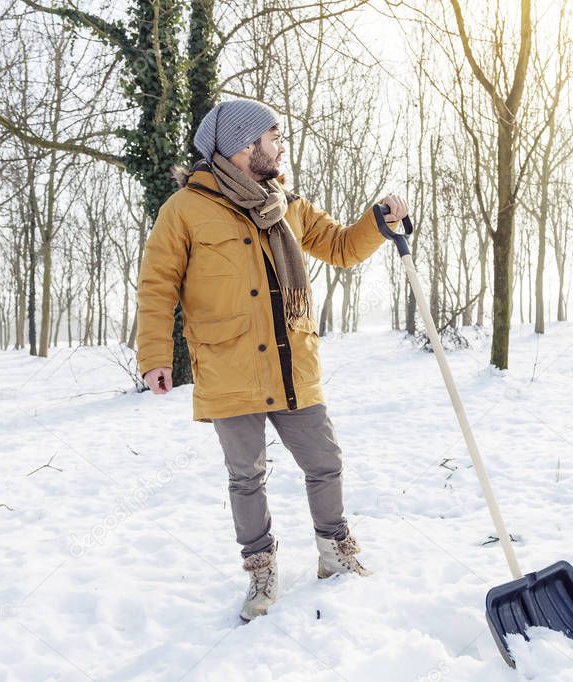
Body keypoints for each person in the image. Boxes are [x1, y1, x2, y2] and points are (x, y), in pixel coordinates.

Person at [135, 98, 409, 622]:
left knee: (324, 463)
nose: (280, 144)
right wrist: (154, 355)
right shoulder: (184, 211)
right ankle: (261, 569)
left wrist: (377, 221)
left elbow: (342, 247)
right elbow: (157, 286)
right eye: (273, 135)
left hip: (292, 363)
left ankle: (334, 551)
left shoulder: (286, 203)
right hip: (227, 365)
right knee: (246, 476)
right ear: (243, 147)